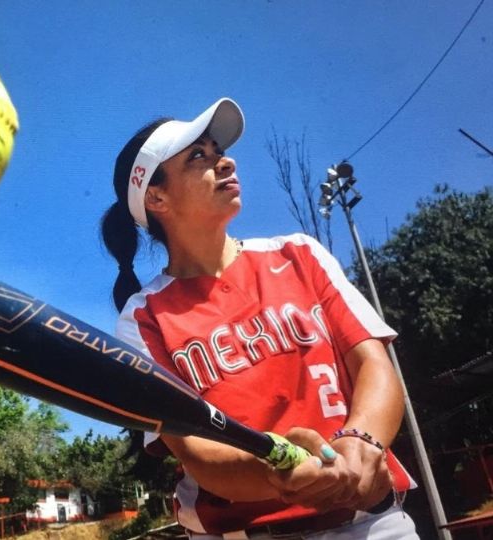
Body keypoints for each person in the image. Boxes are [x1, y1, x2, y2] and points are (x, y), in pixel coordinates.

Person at [100, 98, 419, 539]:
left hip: (371, 523)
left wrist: (361, 443)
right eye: (199, 157)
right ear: (156, 196)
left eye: (219, 151)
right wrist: (280, 472)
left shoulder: (299, 254)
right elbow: (196, 452)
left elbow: (372, 363)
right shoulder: (142, 317)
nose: (225, 162)